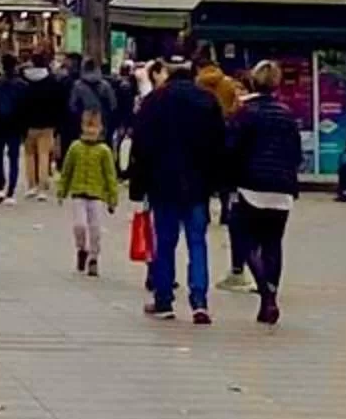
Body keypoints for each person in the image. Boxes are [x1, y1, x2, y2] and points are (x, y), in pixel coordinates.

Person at [128, 55, 227, 323]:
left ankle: (164, 300)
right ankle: (199, 301)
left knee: (165, 241)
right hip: (198, 184)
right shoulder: (207, 101)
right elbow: (220, 144)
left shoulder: (155, 102)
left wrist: (138, 185)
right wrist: (218, 183)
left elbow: (141, 146)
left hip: (163, 183)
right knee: (197, 242)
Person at [225, 61, 300, 327]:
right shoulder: (287, 114)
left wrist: (229, 181)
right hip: (283, 188)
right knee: (273, 243)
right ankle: (272, 294)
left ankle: (266, 295)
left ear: (254, 82)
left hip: (252, 185)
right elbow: (296, 154)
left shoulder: (246, 112)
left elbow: (232, 149)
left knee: (244, 241)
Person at [55, 103, 121, 277]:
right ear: (82, 127)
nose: (91, 131)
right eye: (87, 127)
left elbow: (110, 175)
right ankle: (81, 248)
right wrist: (62, 190)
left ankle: (93, 256)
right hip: (78, 192)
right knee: (79, 225)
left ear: (100, 129)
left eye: (94, 127)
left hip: (97, 194)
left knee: (96, 228)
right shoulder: (75, 147)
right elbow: (67, 170)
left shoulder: (104, 151)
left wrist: (112, 197)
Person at [18, 53, 62, 200]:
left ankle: (31, 186)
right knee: (44, 155)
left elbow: (21, 104)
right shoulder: (51, 81)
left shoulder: (24, 80)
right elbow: (57, 104)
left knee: (29, 155)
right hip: (47, 124)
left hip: (29, 124)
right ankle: (42, 188)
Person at [0, 54, 25, 203]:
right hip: (15, 125)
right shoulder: (21, 85)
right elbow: (25, 107)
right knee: (14, 157)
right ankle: (11, 189)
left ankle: (0, 184)